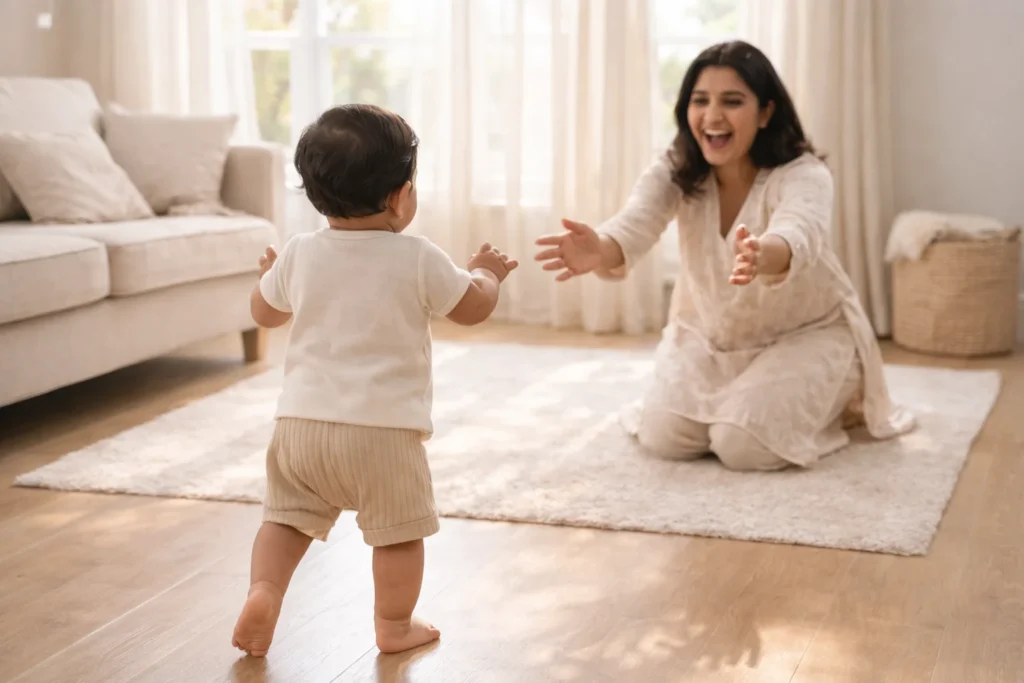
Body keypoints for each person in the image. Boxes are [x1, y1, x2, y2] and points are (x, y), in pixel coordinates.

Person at [535, 40, 915, 472]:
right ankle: (744, 401)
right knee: (665, 438)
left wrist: (762, 254)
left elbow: (799, 231)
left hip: (807, 334)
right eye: (701, 101)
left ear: (766, 112)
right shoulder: (673, 170)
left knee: (743, 446)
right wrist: (599, 249)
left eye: (732, 101)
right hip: (708, 337)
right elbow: (634, 224)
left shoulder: (805, 174)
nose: (712, 116)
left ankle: (835, 396)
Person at [232, 104, 519, 657]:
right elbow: (472, 308)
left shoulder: (298, 252)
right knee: (398, 534)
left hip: (300, 429)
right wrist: (487, 271)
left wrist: (266, 278)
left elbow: (264, 315)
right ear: (397, 197)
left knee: (285, 522)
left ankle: (265, 591)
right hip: (382, 434)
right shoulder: (416, 256)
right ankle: (393, 626)